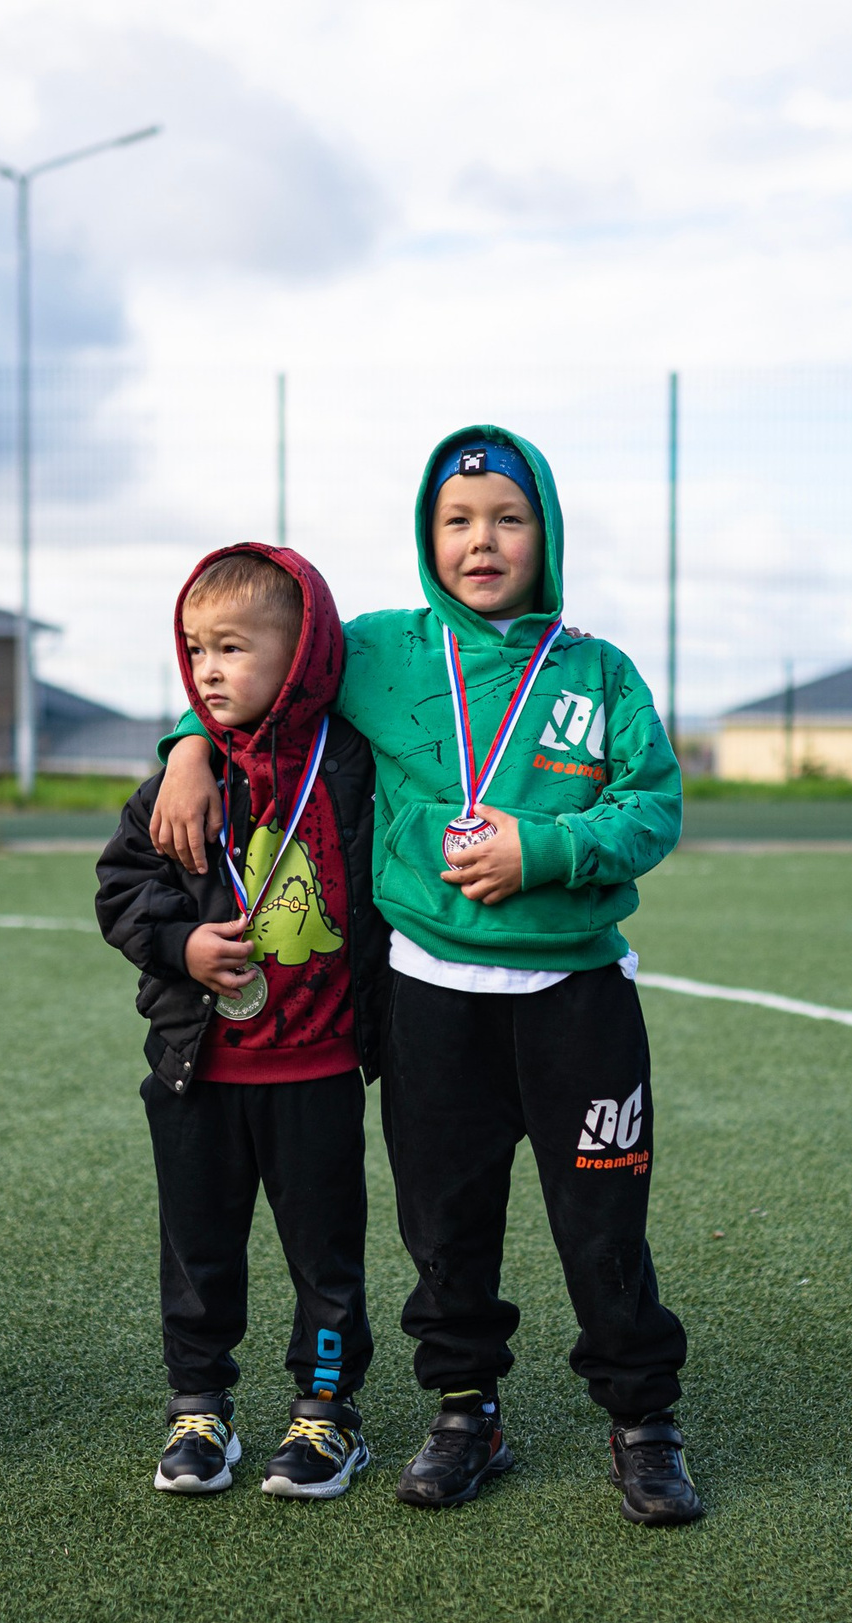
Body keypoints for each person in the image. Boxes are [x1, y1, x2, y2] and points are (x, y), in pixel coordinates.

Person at [149, 428, 701, 1525]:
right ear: (426, 535)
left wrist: (540, 849)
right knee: (445, 1224)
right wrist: (185, 745)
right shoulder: (381, 650)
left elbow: (654, 809)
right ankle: (465, 1412)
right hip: (428, 996)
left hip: (579, 997)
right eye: (457, 520)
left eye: (507, 516)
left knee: (603, 1227)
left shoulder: (598, 670)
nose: (481, 539)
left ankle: (643, 1422)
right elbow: (259, 671)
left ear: (545, 533)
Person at [95, 545, 389, 1500]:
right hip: (198, 1070)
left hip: (316, 1066)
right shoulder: (180, 778)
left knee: (324, 1257)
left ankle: (326, 1411)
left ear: (300, 654)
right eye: (195, 649)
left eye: (233, 647)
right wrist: (179, 947)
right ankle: (199, 1407)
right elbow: (120, 888)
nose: (210, 669)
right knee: (197, 1249)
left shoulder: (352, 766)